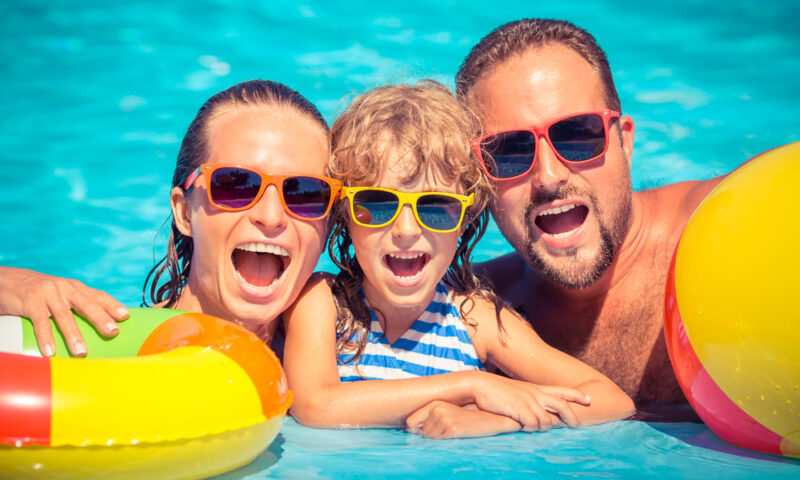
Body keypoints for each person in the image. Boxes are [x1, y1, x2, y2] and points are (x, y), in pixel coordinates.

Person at [283, 80, 634, 439]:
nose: (406, 230)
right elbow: (317, 406)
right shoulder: (323, 304)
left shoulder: (472, 319)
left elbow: (611, 400)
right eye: (377, 204)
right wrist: (470, 386)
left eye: (435, 207)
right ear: (345, 215)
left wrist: (499, 421)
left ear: (465, 219)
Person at [454, 19, 727, 408]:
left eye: (577, 135)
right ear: (478, 177)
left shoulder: (721, 227)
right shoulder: (466, 308)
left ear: (625, 141)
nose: (549, 177)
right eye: (509, 150)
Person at [0, 79, 337, 356]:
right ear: (184, 211)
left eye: (305, 194)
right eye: (236, 185)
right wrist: (14, 287)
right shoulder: (112, 346)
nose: (271, 216)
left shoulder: (349, 371)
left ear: (327, 226)